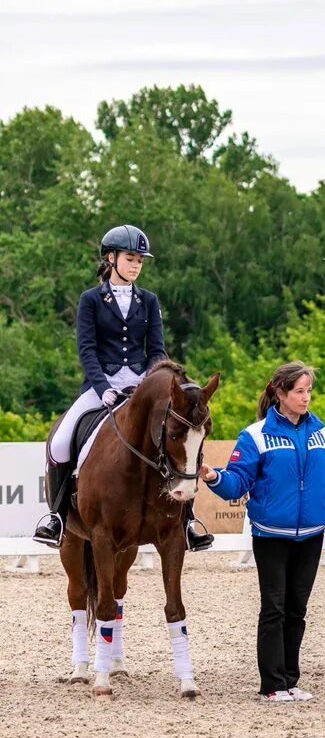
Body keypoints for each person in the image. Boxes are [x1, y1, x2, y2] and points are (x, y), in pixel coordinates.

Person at [33, 225, 213, 552]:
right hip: (100, 386)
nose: (136, 266)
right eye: (130, 259)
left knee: (177, 439)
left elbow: (157, 350)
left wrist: (150, 383)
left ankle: (187, 520)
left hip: (142, 387)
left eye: (140, 261)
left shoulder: (149, 301)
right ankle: (56, 518)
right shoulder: (91, 300)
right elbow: (87, 349)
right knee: (60, 443)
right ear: (112, 258)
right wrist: (102, 387)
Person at [201, 362, 325, 703]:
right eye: (299, 391)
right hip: (271, 536)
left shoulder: (323, 434)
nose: (306, 397)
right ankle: (272, 685)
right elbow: (239, 481)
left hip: (312, 535)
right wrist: (214, 478)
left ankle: (291, 680)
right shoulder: (254, 436)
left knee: (298, 610)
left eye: (308, 390)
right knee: (274, 609)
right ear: (280, 394)